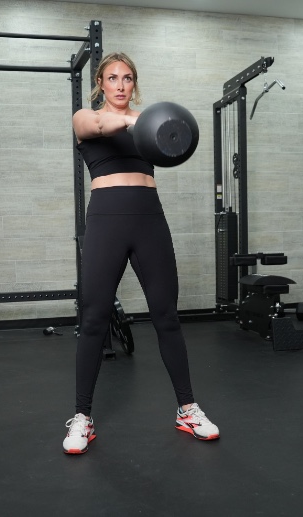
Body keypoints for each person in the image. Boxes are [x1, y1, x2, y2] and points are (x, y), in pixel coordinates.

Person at [63, 52, 219, 454]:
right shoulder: (86, 117)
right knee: (94, 317)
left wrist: (161, 126)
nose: (120, 84)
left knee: (166, 315)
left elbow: (175, 147)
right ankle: (82, 416)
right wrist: (143, 120)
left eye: (127, 78)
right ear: (100, 82)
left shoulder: (150, 123)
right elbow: (99, 124)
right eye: (112, 77)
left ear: (134, 83)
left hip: (149, 219)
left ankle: (188, 408)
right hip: (106, 222)